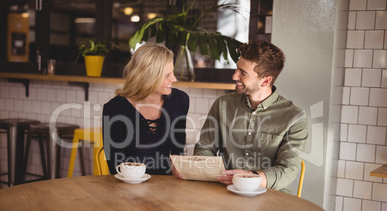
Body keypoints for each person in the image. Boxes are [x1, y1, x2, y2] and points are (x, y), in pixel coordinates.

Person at [193, 40, 308, 193]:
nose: (235, 76)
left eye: (243, 73)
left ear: (265, 80)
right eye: (237, 69)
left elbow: (288, 170)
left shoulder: (294, 117)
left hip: (270, 196)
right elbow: (205, 147)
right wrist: (204, 168)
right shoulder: (223, 104)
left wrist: (251, 178)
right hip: (224, 191)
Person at [102, 43, 189, 175]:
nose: (174, 79)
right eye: (167, 75)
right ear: (148, 77)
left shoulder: (180, 100)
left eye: (172, 73)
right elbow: (115, 165)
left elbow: (178, 150)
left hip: (168, 187)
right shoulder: (114, 109)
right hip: (129, 186)